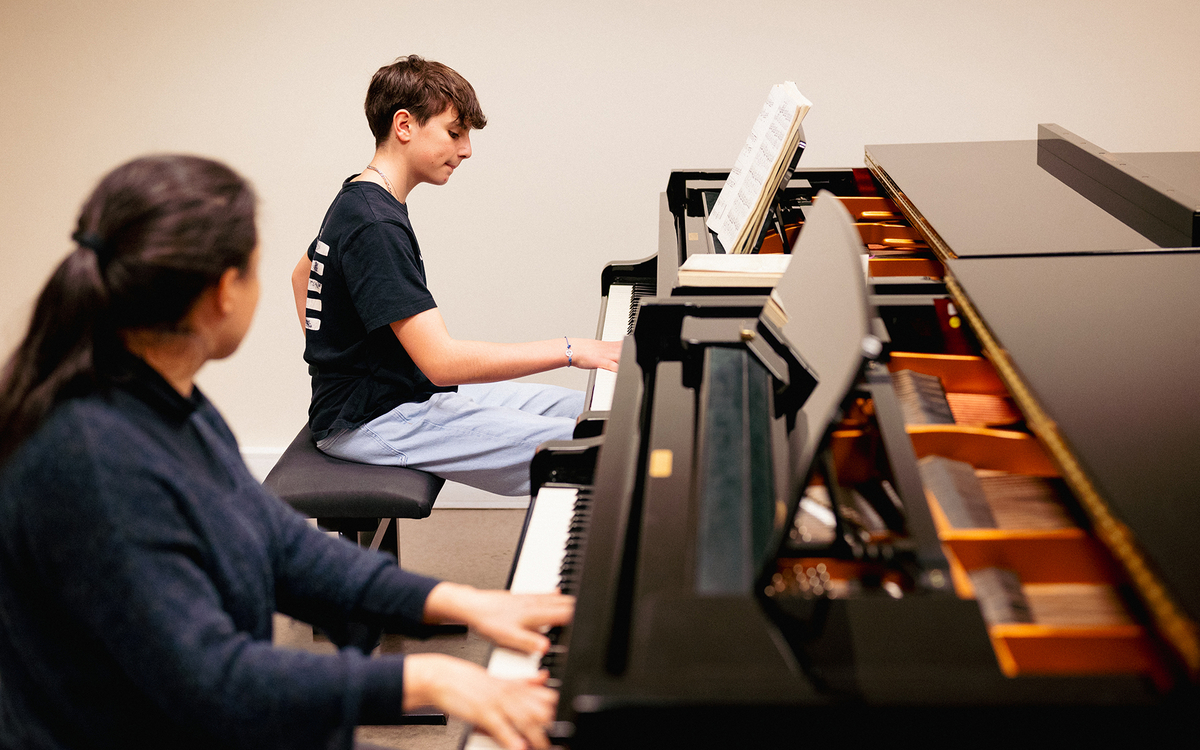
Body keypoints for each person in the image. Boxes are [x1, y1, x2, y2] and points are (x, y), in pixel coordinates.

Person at [0, 154, 570, 750]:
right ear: (225, 292)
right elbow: (215, 681)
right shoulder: (91, 461)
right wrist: (427, 677)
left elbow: (281, 545)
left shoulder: (170, 405)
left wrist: (460, 602)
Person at [291, 55, 621, 496]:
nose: (466, 149)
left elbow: (303, 274)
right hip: (373, 420)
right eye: (454, 132)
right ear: (404, 126)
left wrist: (337, 360)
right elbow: (442, 363)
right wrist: (571, 349)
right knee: (602, 448)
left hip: (403, 396)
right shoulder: (375, 224)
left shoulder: (359, 196)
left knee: (595, 410)